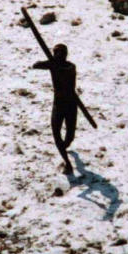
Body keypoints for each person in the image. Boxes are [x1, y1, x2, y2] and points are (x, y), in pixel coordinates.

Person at [32, 43, 78, 174]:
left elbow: (65, 72)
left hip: (70, 103)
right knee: (56, 133)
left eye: (59, 53)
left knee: (69, 136)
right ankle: (67, 162)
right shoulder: (53, 65)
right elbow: (36, 65)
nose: (57, 56)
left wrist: (52, 64)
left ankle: (63, 148)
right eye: (55, 53)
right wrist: (50, 63)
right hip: (59, 104)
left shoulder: (70, 67)